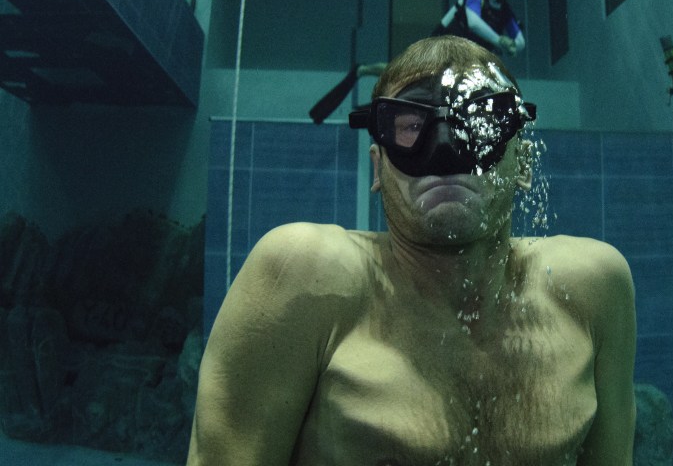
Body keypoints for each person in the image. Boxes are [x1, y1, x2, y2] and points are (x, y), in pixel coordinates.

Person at [188, 35, 636, 465]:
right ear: (378, 166)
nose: (444, 152)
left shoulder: (593, 288)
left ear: (522, 161)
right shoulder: (304, 276)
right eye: (411, 127)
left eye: (479, 121)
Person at [309, 0, 524, 124]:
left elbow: (520, 40)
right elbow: (473, 21)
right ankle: (363, 70)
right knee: (409, 73)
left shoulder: (504, 10)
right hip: (441, 45)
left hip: (462, 58)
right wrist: (501, 41)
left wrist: (513, 46)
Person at [433, 0, 526, 58]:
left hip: (476, 55)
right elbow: (473, 23)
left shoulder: (504, 10)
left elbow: (520, 42)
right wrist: (500, 41)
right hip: (452, 47)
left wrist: (511, 46)